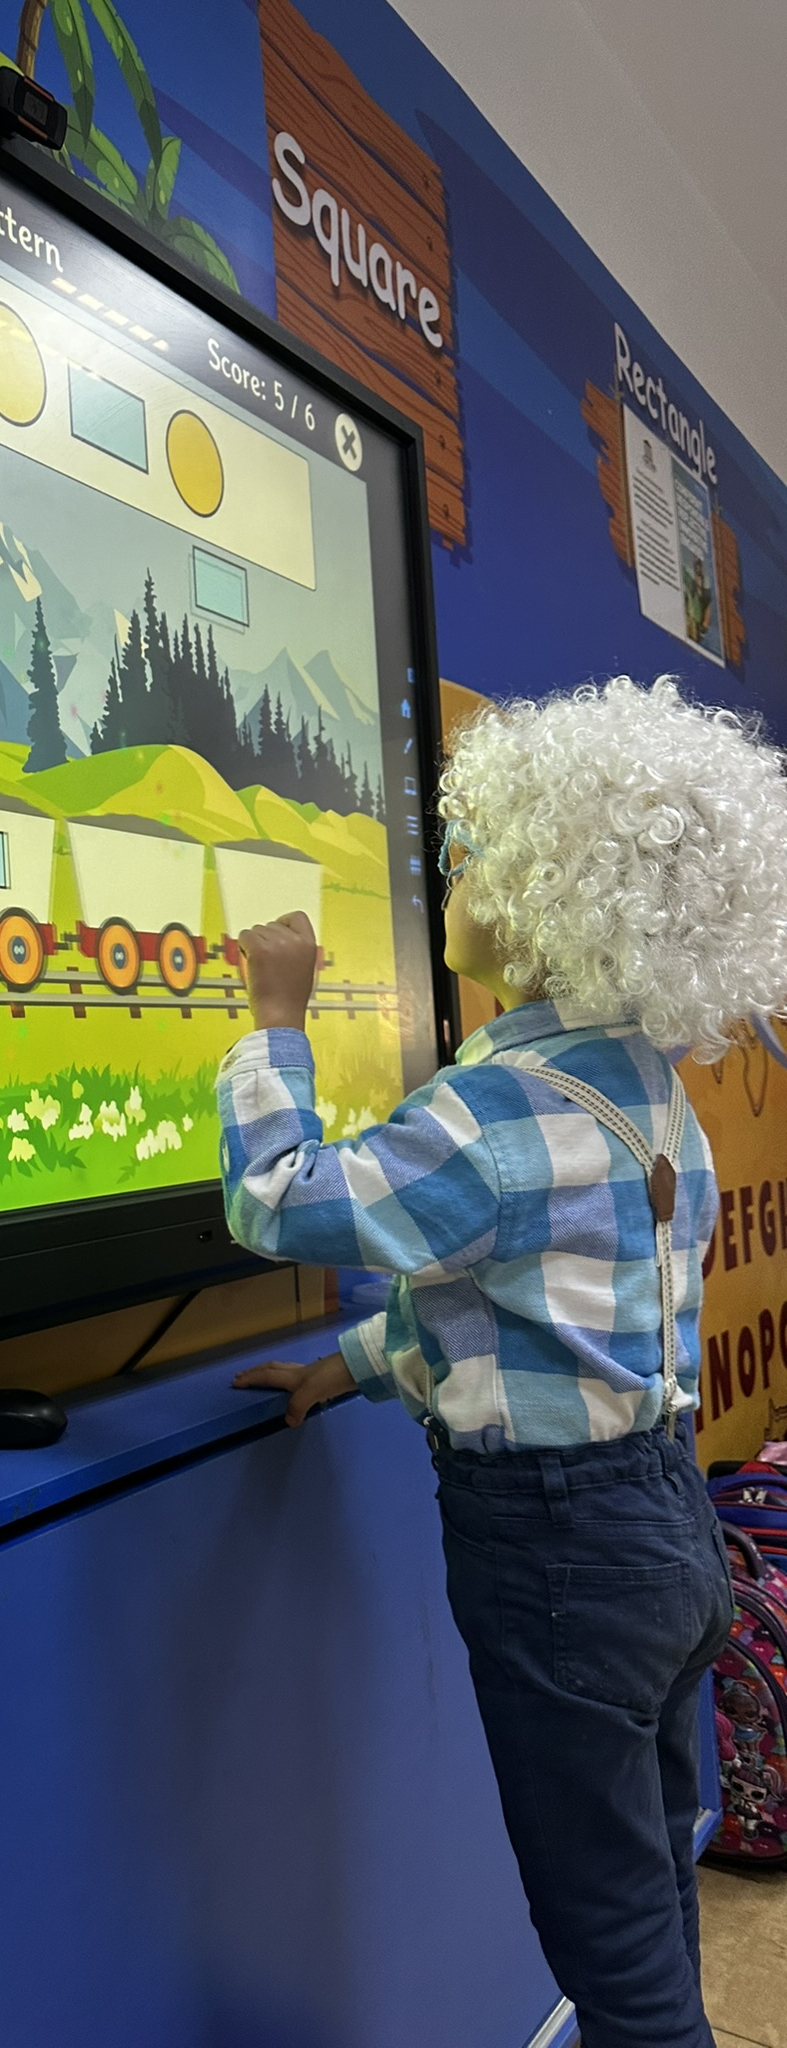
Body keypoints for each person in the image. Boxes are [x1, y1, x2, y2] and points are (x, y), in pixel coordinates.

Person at [217, 677, 787, 2048]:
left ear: (550, 902)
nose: (454, 876)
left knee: (610, 1948)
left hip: (560, 1559)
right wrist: (353, 1364)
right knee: (650, 1879)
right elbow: (534, 1308)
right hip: (667, 1531)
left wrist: (276, 1022)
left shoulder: (490, 1112)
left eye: (476, 860)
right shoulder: (653, 1092)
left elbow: (280, 1201)